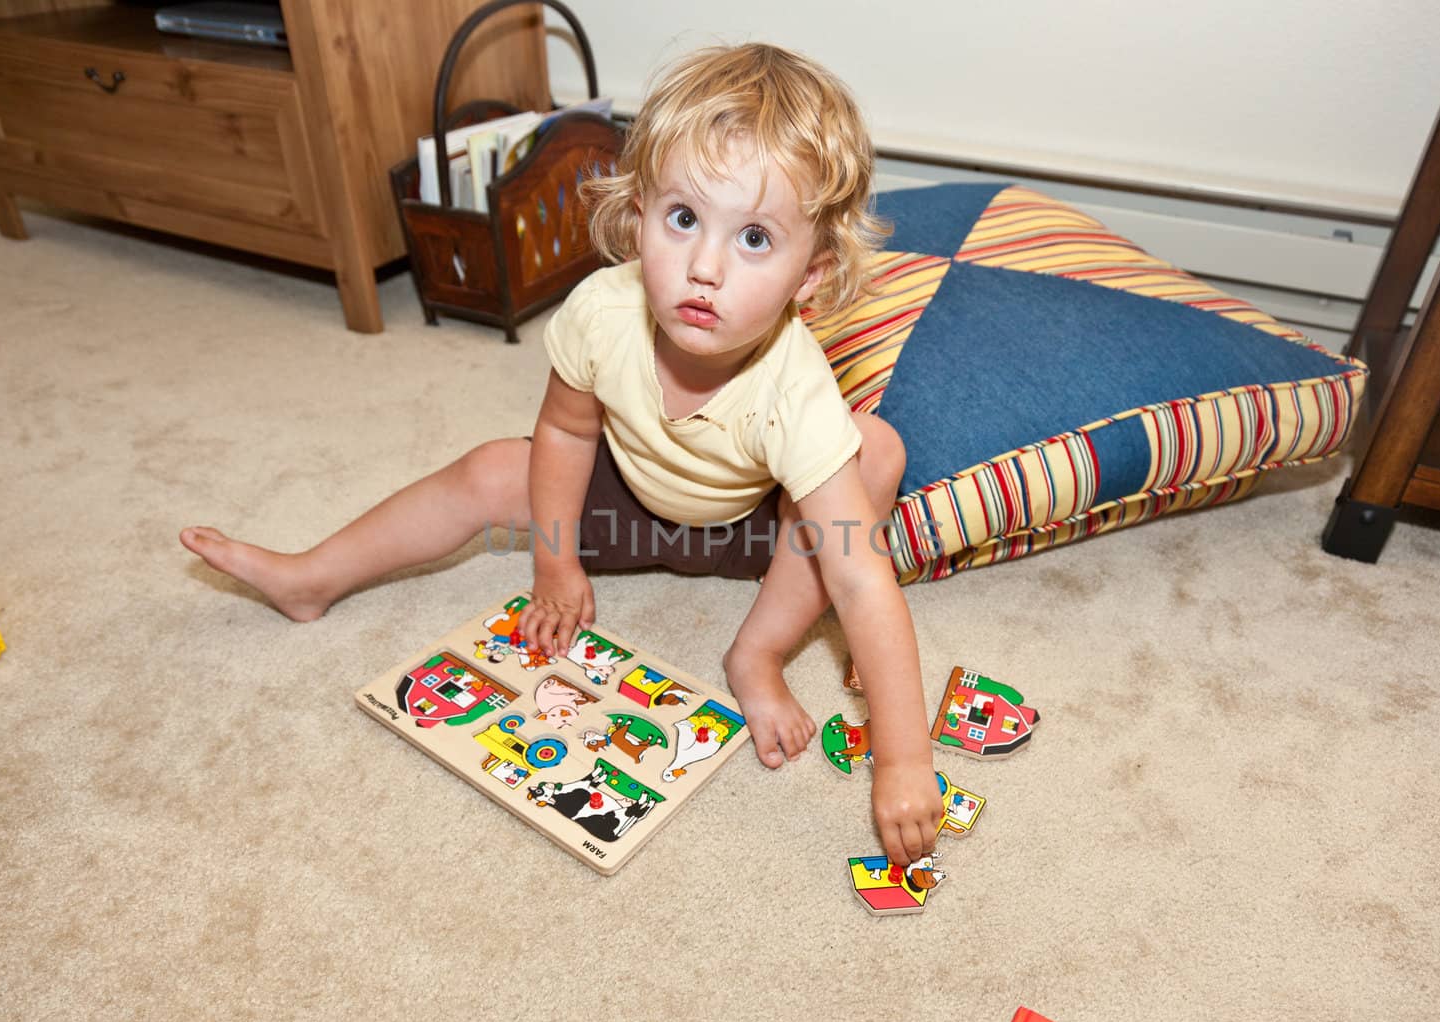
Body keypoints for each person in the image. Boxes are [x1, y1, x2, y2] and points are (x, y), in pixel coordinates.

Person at [180, 43, 945, 865]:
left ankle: (754, 653)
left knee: (875, 450)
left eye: (755, 237)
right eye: (683, 219)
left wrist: (903, 759)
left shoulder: (796, 388)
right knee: (487, 467)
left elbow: (862, 581)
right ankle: (311, 576)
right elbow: (568, 434)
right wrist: (554, 564)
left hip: (758, 534)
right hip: (622, 498)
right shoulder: (599, 312)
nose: (705, 267)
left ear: (810, 277)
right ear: (638, 210)